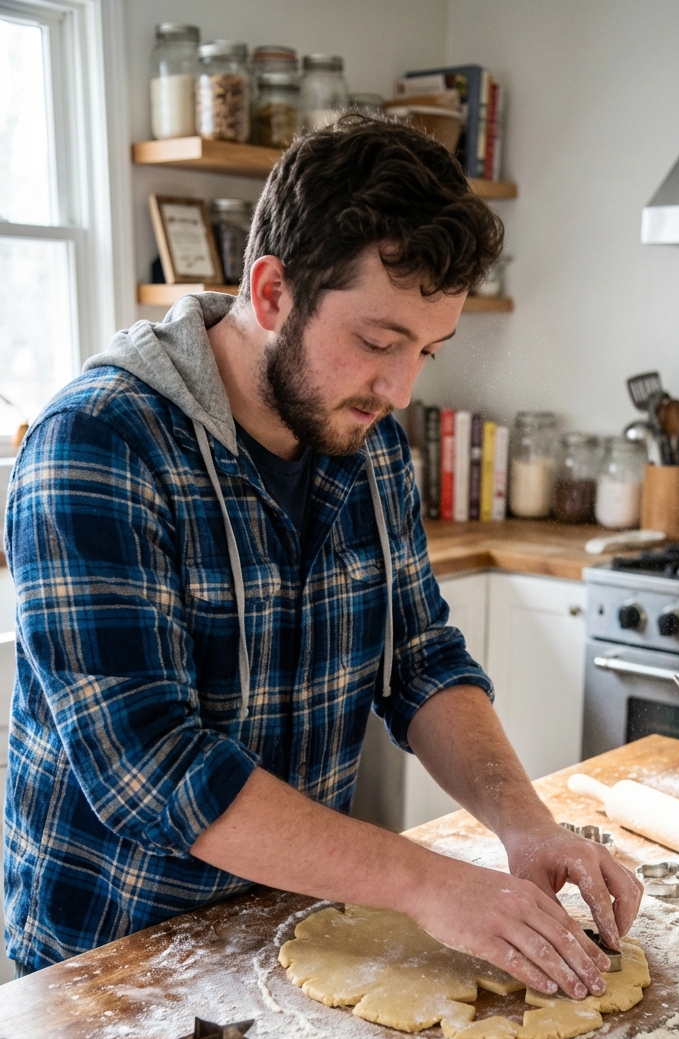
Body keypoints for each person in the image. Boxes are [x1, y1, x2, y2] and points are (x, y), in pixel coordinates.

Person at [4, 115, 641, 992]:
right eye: (379, 342)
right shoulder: (98, 443)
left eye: (426, 350)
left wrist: (525, 824)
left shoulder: (365, 438)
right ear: (271, 294)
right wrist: (425, 881)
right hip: (109, 962)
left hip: (290, 930)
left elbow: (419, 660)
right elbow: (148, 767)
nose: (400, 386)